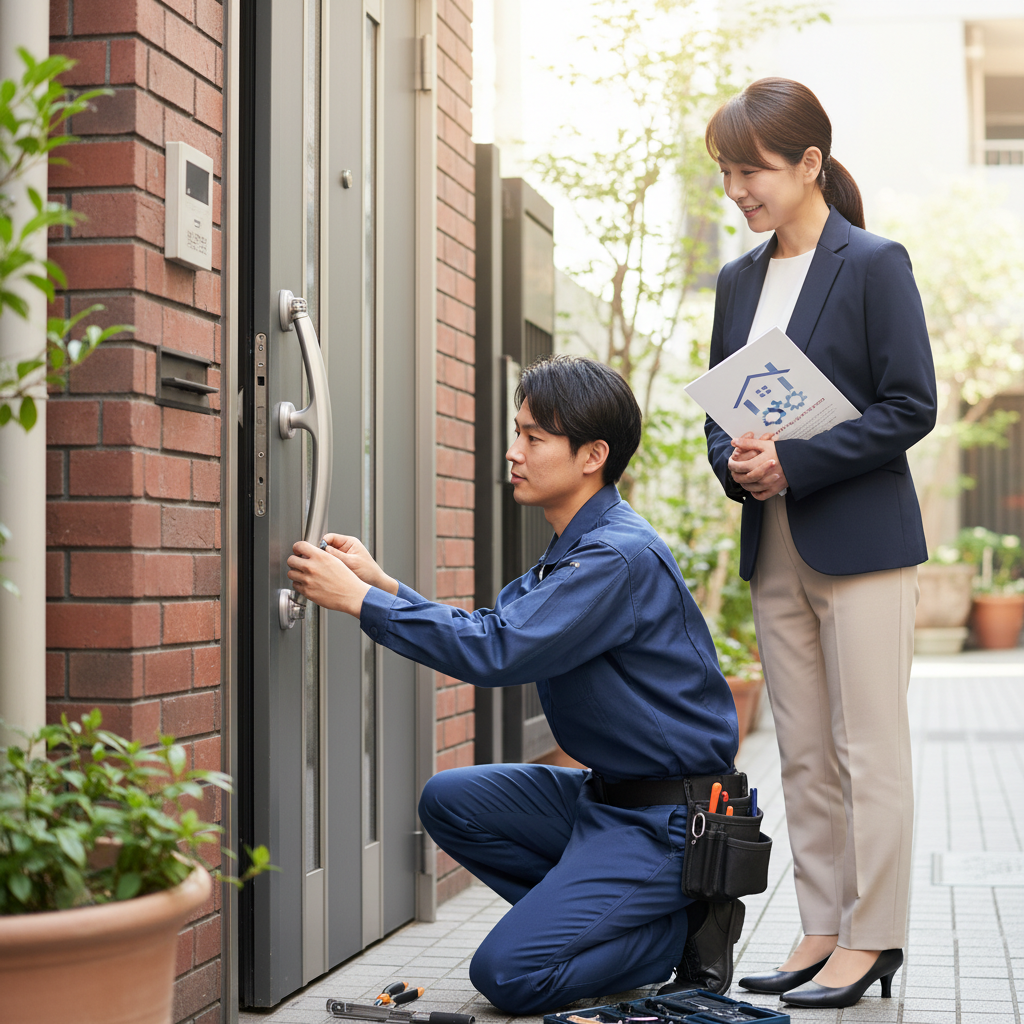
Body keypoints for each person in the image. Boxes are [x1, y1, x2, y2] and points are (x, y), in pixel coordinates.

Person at [287, 355, 744, 1015]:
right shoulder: (580, 547)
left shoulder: (613, 557)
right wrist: (384, 587)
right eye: (518, 433)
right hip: (605, 803)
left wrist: (360, 602)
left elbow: (497, 650)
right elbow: (501, 628)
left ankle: (673, 935)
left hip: (667, 824)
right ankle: (607, 924)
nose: (513, 452)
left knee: (506, 975)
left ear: (592, 455)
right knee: (451, 800)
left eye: (533, 438)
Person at [702, 79, 937, 1009]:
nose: (735, 190)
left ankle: (874, 938)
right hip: (776, 543)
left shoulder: (874, 263)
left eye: (749, 169)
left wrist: (796, 462)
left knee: (869, 748)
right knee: (801, 750)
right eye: (724, 172)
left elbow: (910, 406)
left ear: (807, 164)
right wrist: (740, 464)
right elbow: (725, 410)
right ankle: (823, 926)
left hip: (864, 543)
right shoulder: (737, 280)